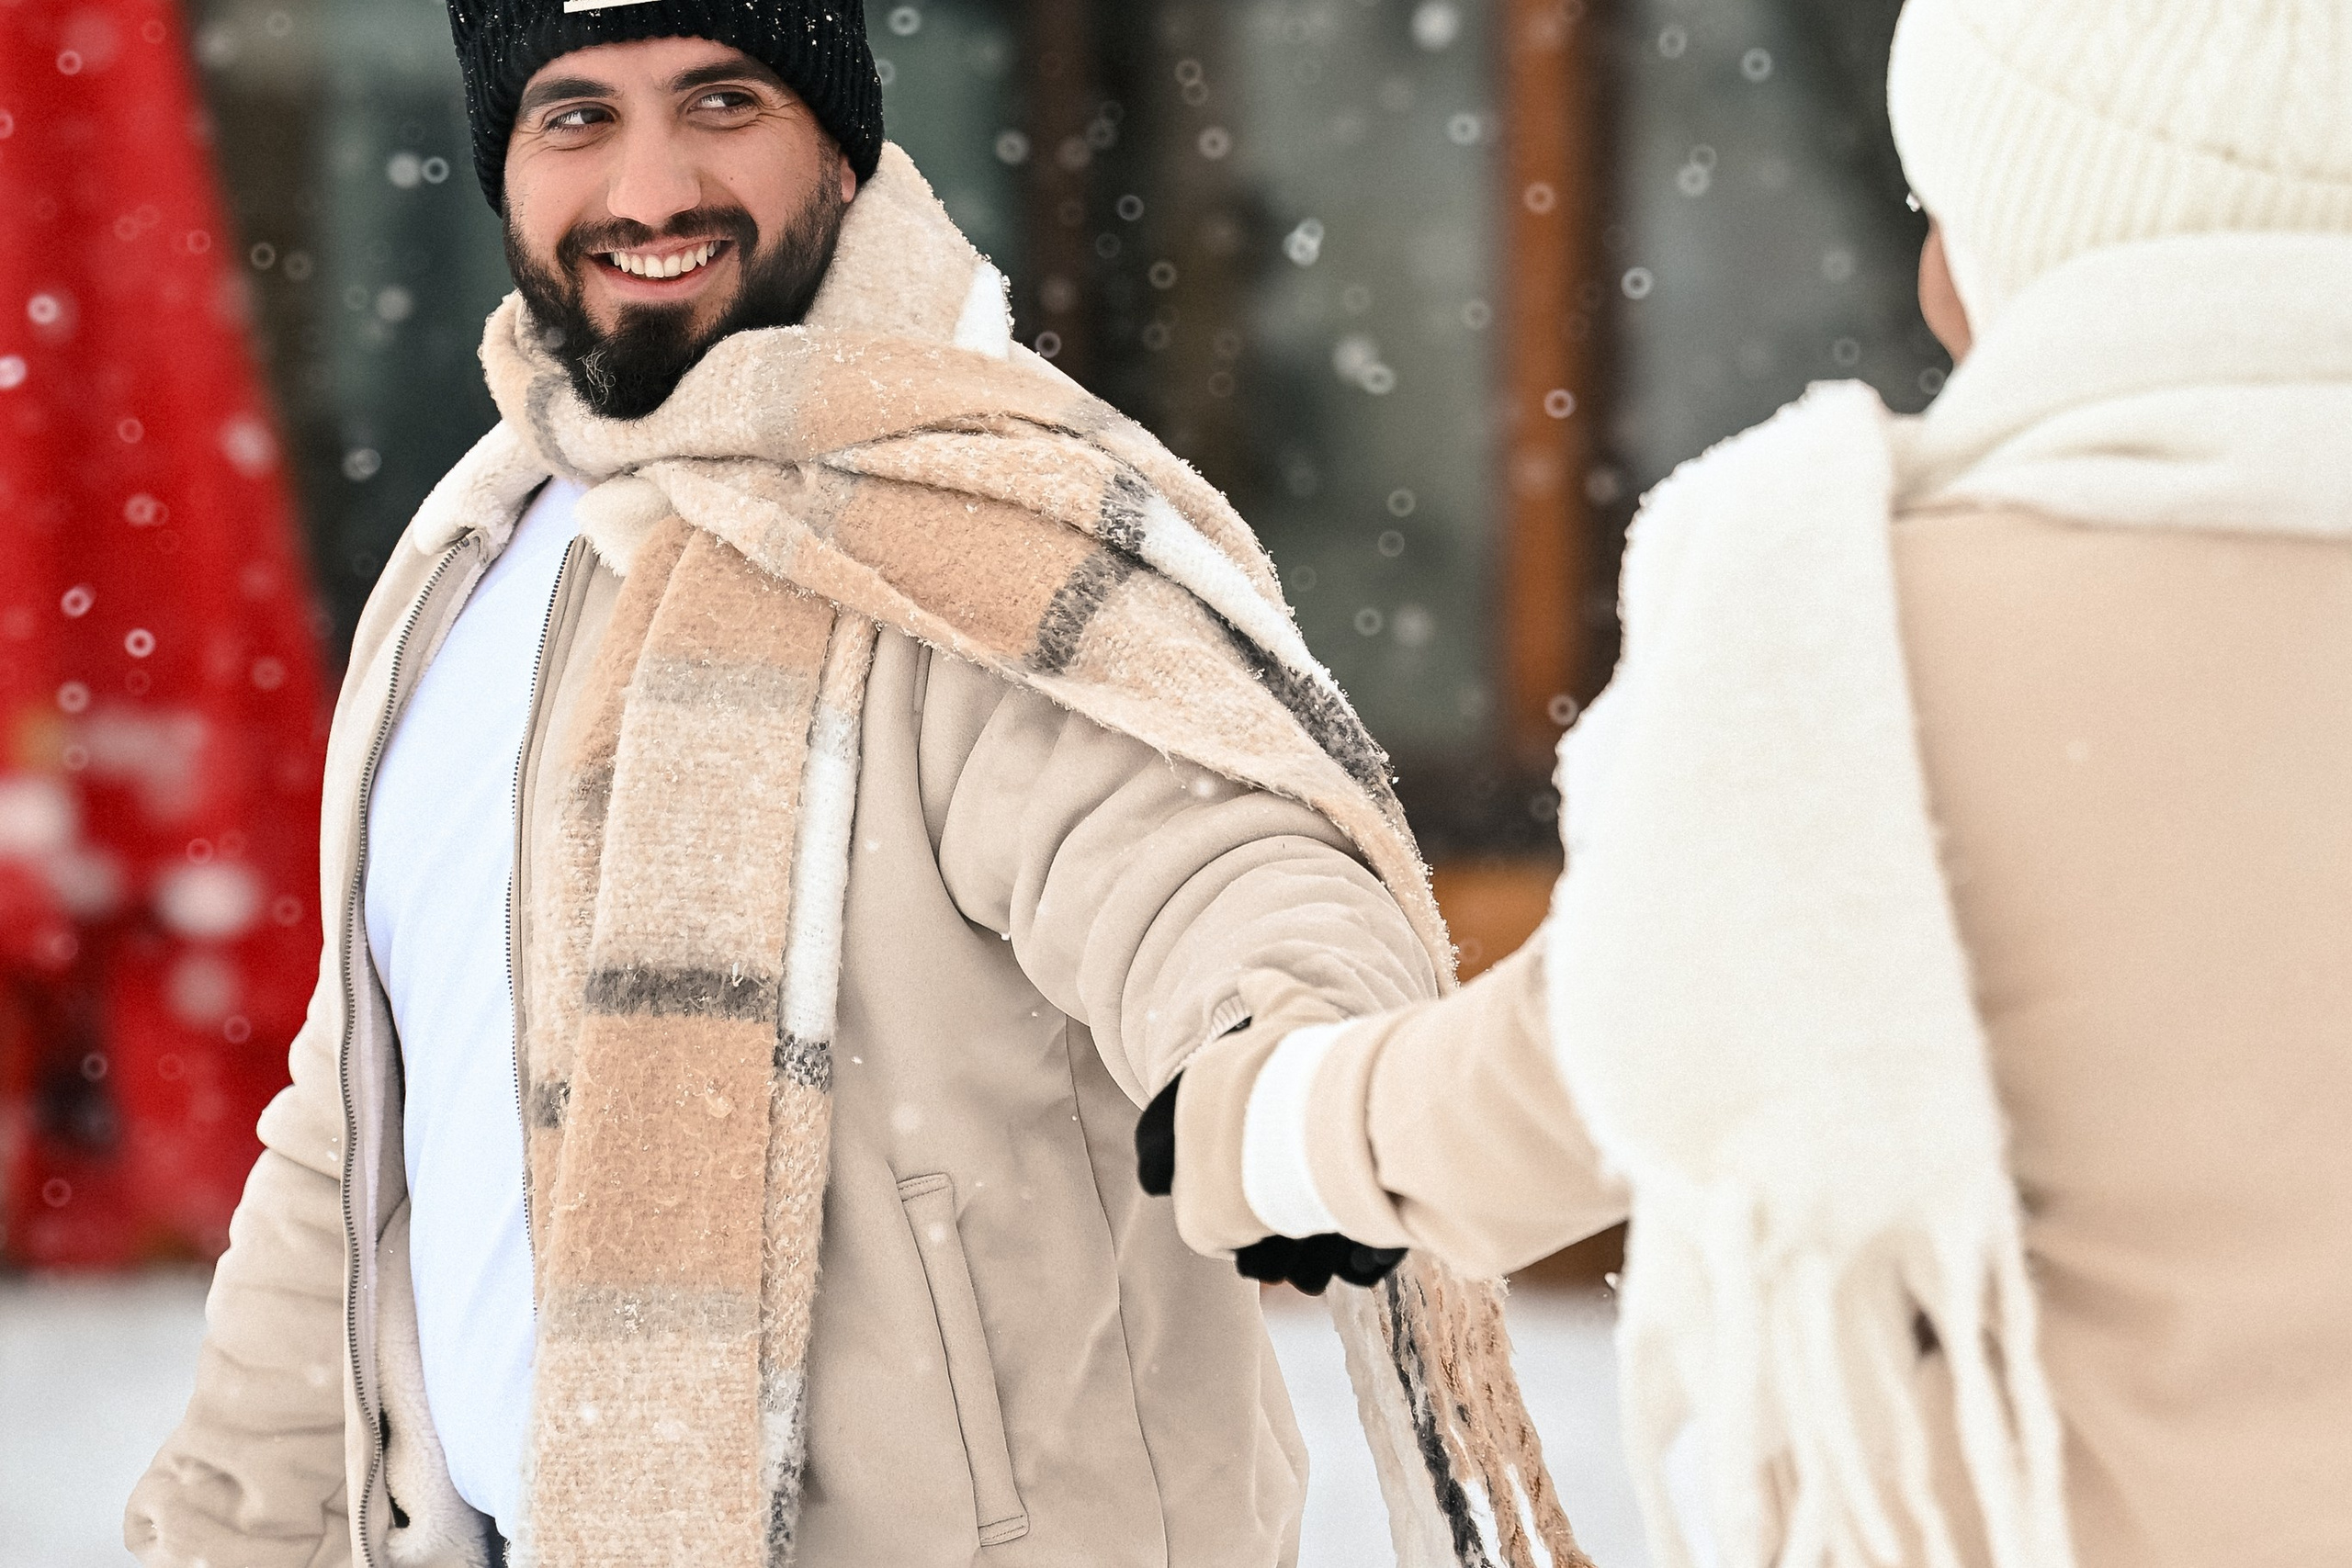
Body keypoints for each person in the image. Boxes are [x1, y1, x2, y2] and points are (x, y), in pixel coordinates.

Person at [124, 5, 1561, 1565]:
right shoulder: (472, 558)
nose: (649, 189)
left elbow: (1212, 865)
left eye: (720, 100)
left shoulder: (978, 532)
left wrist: (1288, 1063)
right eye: (577, 115)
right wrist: (230, 1524)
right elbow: (366, 1120)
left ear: (839, 140)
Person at [1148, 1, 2352, 1564]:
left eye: (1945, 209)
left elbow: (1580, 1070)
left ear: (2045, 241)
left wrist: (1272, 1128)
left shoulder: (1859, 628)